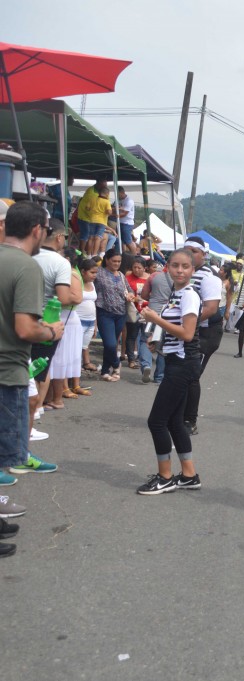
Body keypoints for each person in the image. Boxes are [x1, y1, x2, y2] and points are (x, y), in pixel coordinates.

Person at [0, 202, 65, 554]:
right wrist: (51, 332)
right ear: (38, 230)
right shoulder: (26, 267)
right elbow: (25, 327)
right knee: (2, 449)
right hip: (7, 367)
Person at [136, 249, 203, 495]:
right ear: (168, 268)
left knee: (156, 421)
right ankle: (188, 474)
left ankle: (165, 477)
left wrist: (155, 318)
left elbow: (187, 333)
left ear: (192, 270)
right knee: (175, 421)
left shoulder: (189, 296)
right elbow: (176, 331)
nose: (180, 270)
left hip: (183, 365)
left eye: (185, 266)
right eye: (175, 265)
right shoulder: (176, 295)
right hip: (177, 360)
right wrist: (159, 340)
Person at [31, 220, 77, 417]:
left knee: (26, 364)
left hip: (21, 317)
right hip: (47, 321)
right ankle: (36, 408)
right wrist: (76, 297)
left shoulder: (28, 255)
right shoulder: (61, 263)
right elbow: (64, 297)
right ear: (59, 237)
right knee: (42, 368)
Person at [180, 237, 223, 435]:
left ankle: (190, 420)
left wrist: (186, 325)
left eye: (193, 251)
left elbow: (211, 308)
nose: (189, 254)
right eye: (186, 250)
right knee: (181, 373)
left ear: (203, 255)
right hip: (187, 330)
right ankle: (179, 413)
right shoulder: (185, 275)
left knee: (193, 375)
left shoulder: (209, 278)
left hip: (205, 332)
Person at [44, 244, 84, 408]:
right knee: (55, 359)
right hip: (63, 316)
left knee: (58, 359)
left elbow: (76, 297)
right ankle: (50, 398)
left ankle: (57, 399)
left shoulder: (71, 274)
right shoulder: (69, 272)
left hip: (66, 317)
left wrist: (51, 295)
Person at [92, 249, 132, 382]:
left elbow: (129, 290)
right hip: (104, 312)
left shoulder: (121, 275)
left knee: (112, 344)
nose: (116, 263)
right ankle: (116, 364)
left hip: (120, 313)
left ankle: (104, 371)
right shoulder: (99, 273)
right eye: (114, 261)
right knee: (109, 344)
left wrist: (131, 296)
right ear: (107, 260)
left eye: (119, 261)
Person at [72, 256, 99, 389]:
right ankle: (73, 382)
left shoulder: (92, 284)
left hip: (90, 321)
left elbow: (93, 303)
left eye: (96, 272)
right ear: (83, 271)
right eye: (92, 272)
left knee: (82, 348)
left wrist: (95, 324)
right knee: (75, 352)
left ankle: (76, 381)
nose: (95, 275)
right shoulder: (77, 283)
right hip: (78, 321)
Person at [116, 187, 136, 255]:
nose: (117, 196)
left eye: (118, 194)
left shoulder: (129, 201)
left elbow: (124, 214)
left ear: (121, 192)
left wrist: (112, 215)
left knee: (128, 241)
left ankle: (134, 257)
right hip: (120, 223)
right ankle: (123, 255)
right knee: (121, 241)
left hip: (127, 223)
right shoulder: (118, 200)